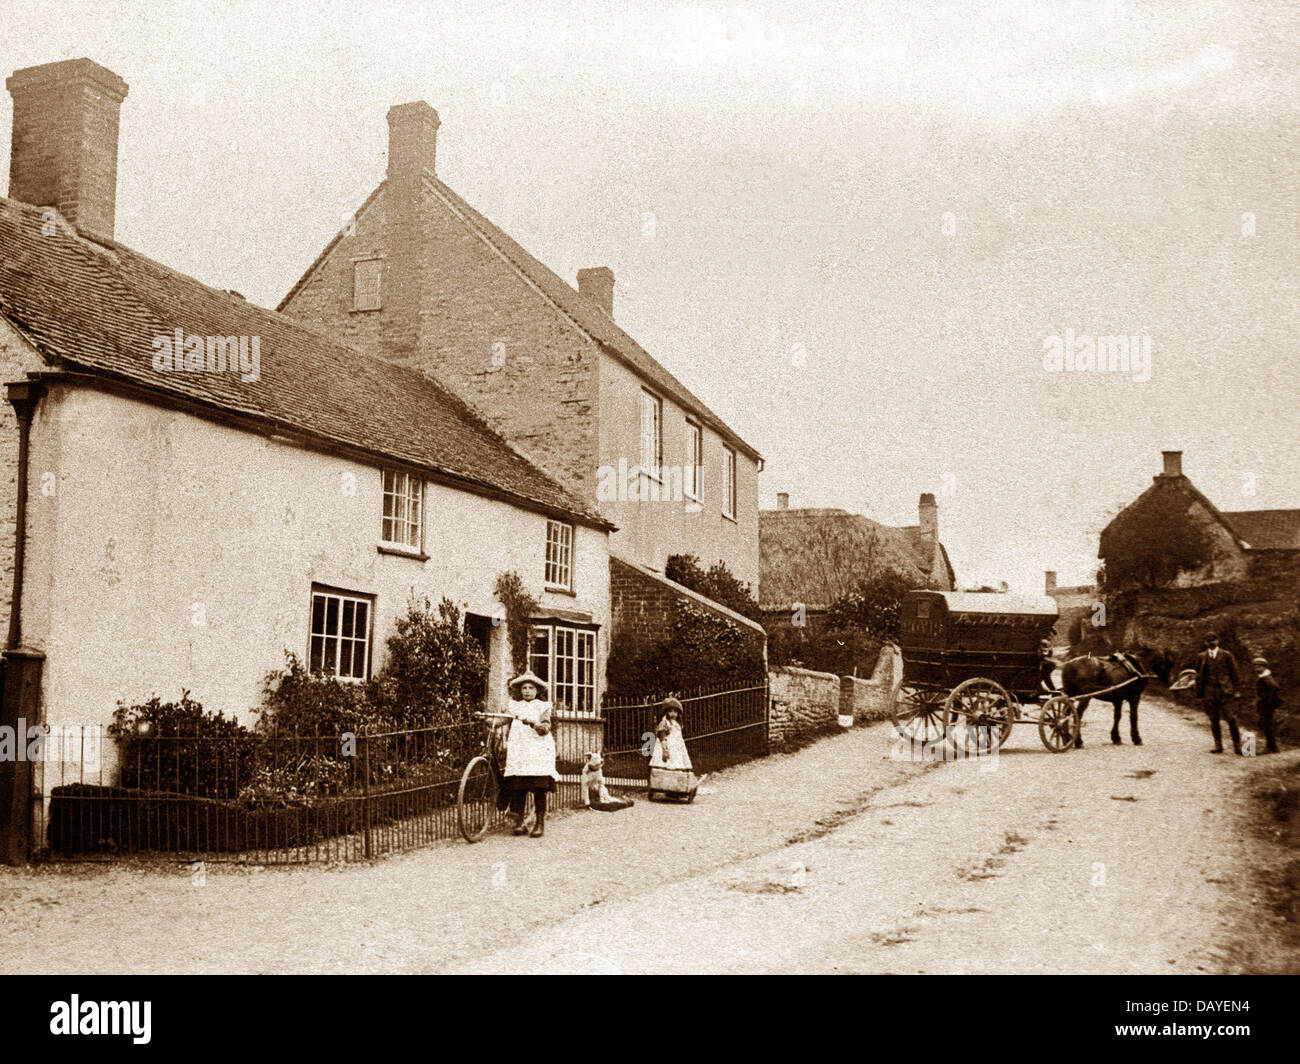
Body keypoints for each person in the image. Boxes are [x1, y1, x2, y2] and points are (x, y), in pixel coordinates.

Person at [502, 671, 559, 837]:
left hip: (537, 752)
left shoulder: (542, 707)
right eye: (524, 688)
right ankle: (519, 823)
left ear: (537, 690)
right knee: (519, 788)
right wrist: (486, 719)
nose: (527, 691)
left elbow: (545, 729)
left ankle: (539, 823)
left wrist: (533, 722)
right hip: (519, 752)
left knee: (538, 788)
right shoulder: (514, 706)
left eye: (531, 688)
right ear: (520, 690)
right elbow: (502, 720)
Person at [1195, 632, 1242, 755]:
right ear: (1205, 643)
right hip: (1209, 692)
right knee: (1213, 719)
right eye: (1208, 640)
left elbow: (1235, 674)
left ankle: (1237, 746)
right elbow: (1198, 676)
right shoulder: (1201, 656)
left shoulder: (1226, 655)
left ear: (1218, 641)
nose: (1211, 642)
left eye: (1213, 640)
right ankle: (1218, 745)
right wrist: (1199, 692)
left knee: (1231, 719)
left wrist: (1236, 691)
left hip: (1225, 691)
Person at [651, 697, 692, 771]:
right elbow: (662, 738)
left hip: (676, 747)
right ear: (666, 712)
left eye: (675, 712)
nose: (673, 714)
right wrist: (665, 750)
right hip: (667, 746)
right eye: (670, 711)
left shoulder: (676, 724)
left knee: (677, 763)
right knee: (665, 764)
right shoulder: (665, 723)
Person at [1253, 657, 1282, 754]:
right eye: (1255, 666)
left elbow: (1275, 687)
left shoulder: (1266, 677)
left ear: (1264, 667)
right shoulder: (1263, 676)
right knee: (1266, 725)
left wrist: (1268, 701)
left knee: (1267, 725)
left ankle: (1270, 747)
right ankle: (1273, 747)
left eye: (1259, 666)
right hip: (1264, 705)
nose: (1256, 668)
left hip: (1266, 705)